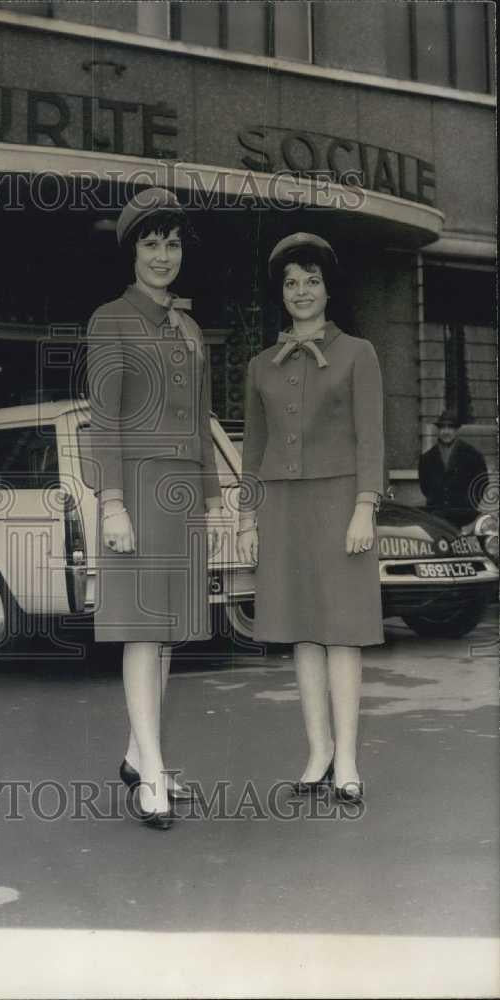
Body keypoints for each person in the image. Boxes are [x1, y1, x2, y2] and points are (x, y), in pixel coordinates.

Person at [86, 187, 225, 830]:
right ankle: (152, 776)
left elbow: (199, 420)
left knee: (168, 631)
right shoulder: (110, 319)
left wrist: (215, 503)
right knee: (143, 631)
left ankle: (140, 753)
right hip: (136, 493)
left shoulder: (192, 328)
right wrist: (112, 504)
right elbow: (106, 422)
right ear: (132, 250)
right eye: (151, 242)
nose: (163, 255)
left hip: (181, 497)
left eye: (172, 244)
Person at [236, 232, 384, 804]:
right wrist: (249, 519)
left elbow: (371, 439)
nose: (302, 292)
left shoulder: (358, 353)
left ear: (328, 288)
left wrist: (364, 508)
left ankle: (346, 757)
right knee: (301, 631)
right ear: (281, 292)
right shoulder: (260, 365)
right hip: (283, 509)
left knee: (342, 632)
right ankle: (317, 752)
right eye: (291, 283)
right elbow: (253, 447)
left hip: (341, 505)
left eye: (312, 281)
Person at [418, 411, 488, 527]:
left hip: (465, 518)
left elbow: (482, 483)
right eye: (442, 428)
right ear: (438, 431)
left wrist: (468, 505)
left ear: (456, 430)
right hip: (437, 517)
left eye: (450, 427)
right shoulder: (426, 458)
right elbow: (425, 487)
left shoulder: (473, 455)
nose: (446, 432)